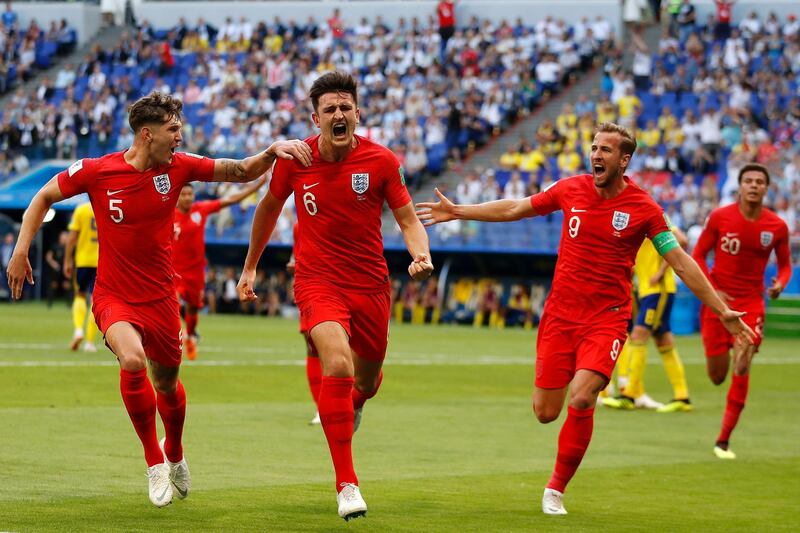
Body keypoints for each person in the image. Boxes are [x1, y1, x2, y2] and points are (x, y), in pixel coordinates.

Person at [416, 122, 754, 515]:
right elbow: (515, 208)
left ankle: (555, 489)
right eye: (594, 147)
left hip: (606, 319)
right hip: (560, 316)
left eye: (606, 150)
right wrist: (458, 210)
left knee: (582, 396)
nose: (596, 154)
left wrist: (722, 310)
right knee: (545, 412)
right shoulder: (569, 188)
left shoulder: (644, 209)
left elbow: (679, 261)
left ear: (624, 160)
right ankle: (567, 437)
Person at [6, 91, 312, 507]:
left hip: (161, 298)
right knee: (132, 361)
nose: (180, 136)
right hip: (114, 295)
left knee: (167, 385)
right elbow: (42, 197)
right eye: (173, 130)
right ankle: (154, 462)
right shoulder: (98, 171)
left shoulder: (179, 168)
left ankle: (176, 452)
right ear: (147, 134)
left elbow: (239, 170)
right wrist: (21, 250)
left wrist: (272, 151)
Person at [237, 72, 433, 521]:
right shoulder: (295, 159)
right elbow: (268, 209)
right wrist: (250, 266)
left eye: (346, 107)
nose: (339, 114)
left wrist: (420, 254)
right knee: (337, 365)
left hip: (370, 285)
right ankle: (347, 483)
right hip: (317, 280)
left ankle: (356, 404)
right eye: (330, 109)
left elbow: (406, 218)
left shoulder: (382, 161)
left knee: (365, 382)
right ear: (316, 117)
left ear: (358, 113)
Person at [692, 163, 792, 460]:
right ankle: (730, 354)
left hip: (751, 304)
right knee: (717, 376)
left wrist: (780, 284)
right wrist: (712, 291)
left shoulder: (777, 226)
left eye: (759, 181)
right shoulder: (720, 217)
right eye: (748, 180)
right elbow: (697, 255)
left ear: (766, 188)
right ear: (740, 186)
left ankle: (723, 440)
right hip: (718, 305)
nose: (753, 185)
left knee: (744, 361)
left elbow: (785, 265)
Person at [173, 175, 267, 360]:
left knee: (192, 309)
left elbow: (231, 199)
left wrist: (257, 186)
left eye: (190, 194)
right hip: (174, 272)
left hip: (196, 272)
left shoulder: (200, 209)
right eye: (183, 194)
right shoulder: (168, 215)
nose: (187, 198)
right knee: (173, 305)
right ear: (177, 197)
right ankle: (177, 339)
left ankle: (191, 335)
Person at [602, 223, 694, 412]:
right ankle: (682, 396)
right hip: (648, 291)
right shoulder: (638, 220)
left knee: (637, 336)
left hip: (657, 290)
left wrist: (661, 272)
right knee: (663, 341)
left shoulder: (657, 217)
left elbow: (682, 241)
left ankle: (629, 395)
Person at [286, 221, 322, 425]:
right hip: (311, 289)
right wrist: (295, 266)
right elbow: (296, 256)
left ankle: (347, 401)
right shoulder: (300, 226)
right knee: (313, 346)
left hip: (340, 286)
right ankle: (322, 407)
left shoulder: (338, 216)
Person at [63, 202, 100, 352]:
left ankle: (78, 330)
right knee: (96, 300)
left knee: (80, 295)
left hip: (83, 260)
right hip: (102, 261)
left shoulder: (81, 210)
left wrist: (67, 260)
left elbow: (72, 238)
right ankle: (90, 342)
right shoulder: (104, 207)